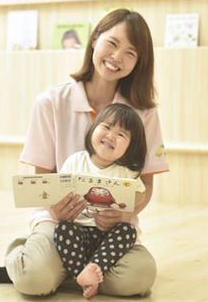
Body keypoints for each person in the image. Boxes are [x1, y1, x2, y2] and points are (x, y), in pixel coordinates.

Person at [0, 8, 169, 297]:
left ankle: (67, 271)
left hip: (110, 230)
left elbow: (146, 186)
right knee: (33, 278)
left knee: (139, 278)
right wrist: (55, 210)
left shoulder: (144, 113)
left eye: (130, 53)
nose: (117, 57)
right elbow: (43, 181)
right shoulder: (51, 102)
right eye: (112, 43)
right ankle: (30, 259)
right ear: (95, 40)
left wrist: (126, 215)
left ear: (139, 63)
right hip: (60, 223)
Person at [54, 103, 147, 299]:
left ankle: (94, 266)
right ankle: (84, 274)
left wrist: (125, 211)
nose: (111, 136)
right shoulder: (76, 161)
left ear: (130, 147)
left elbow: (141, 193)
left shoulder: (125, 172)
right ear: (92, 129)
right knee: (62, 229)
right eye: (106, 127)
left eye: (122, 135)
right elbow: (57, 190)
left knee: (127, 231)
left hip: (108, 236)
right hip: (78, 231)